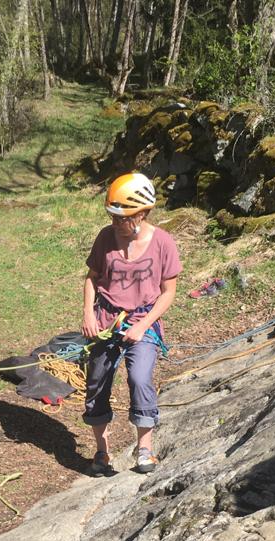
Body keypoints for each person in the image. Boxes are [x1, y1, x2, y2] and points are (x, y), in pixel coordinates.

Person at [81, 172, 181, 475]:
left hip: (143, 321)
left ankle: (145, 449)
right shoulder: (105, 238)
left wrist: (142, 326)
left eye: (121, 218)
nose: (115, 223)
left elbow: (169, 291)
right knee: (97, 383)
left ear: (142, 213)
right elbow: (92, 277)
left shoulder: (163, 242)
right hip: (106, 320)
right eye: (111, 216)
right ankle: (102, 450)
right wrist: (88, 312)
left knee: (139, 379)